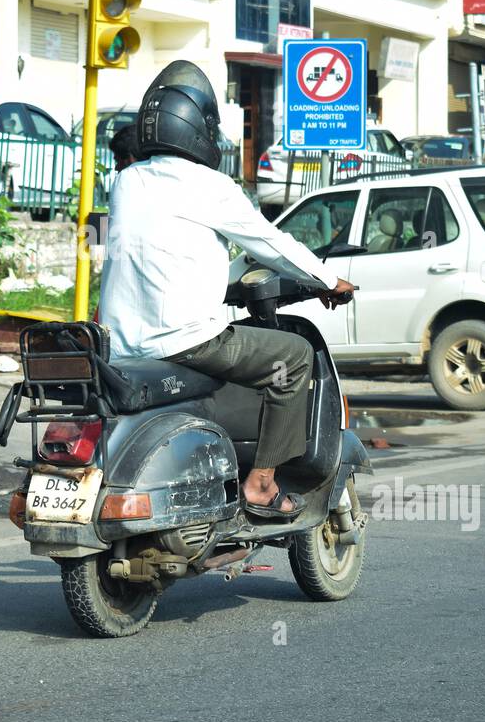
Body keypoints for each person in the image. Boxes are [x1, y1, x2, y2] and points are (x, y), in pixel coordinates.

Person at [99, 61, 355, 519]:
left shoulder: (126, 181)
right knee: (294, 357)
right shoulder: (211, 187)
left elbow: (172, 249)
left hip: (120, 346)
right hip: (186, 342)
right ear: (201, 129)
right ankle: (261, 483)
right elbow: (270, 242)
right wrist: (327, 280)